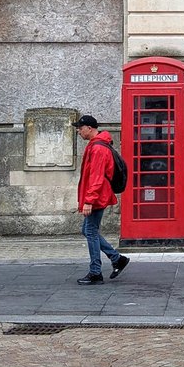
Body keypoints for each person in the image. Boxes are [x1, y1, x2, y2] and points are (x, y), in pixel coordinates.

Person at [72, 115, 130, 285]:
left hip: (97, 196)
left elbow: (96, 177)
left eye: (80, 128)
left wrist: (89, 200)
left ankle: (95, 272)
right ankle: (116, 258)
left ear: (89, 128)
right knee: (88, 230)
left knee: (90, 231)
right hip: (98, 194)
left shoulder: (98, 148)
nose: (78, 131)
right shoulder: (96, 145)